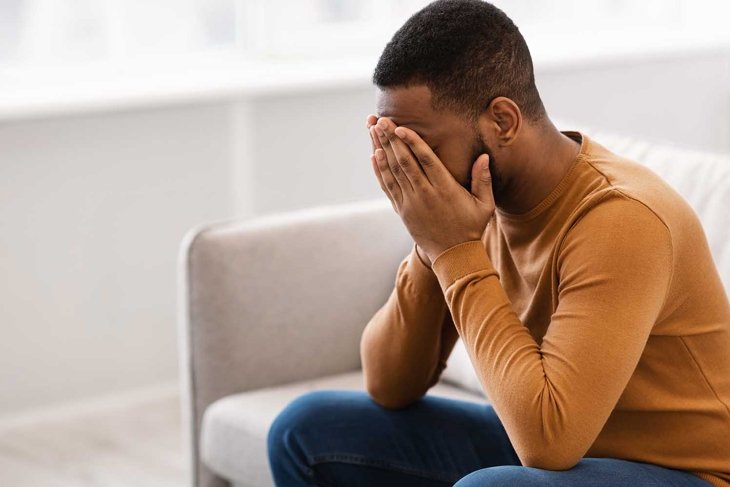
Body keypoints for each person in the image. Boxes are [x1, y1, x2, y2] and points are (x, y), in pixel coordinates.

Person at [267, 1, 730, 485]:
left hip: (686, 473)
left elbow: (548, 441)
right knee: (306, 430)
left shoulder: (622, 218)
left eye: (421, 145)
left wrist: (454, 250)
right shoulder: (469, 204)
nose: (410, 166)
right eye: (395, 145)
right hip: (570, 453)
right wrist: (430, 249)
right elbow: (389, 386)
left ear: (503, 122)